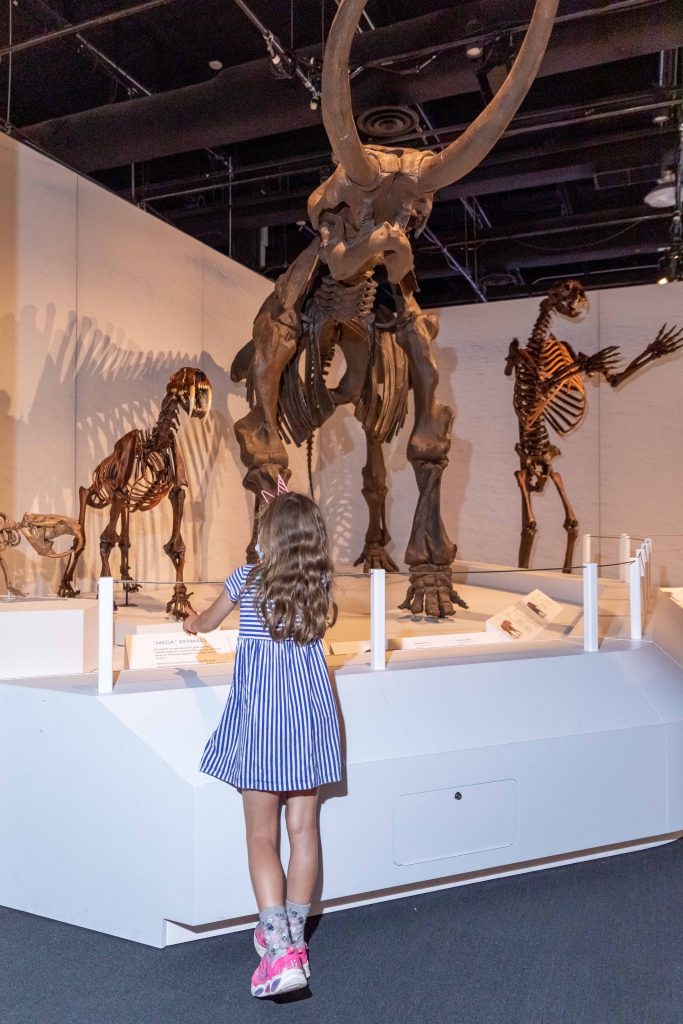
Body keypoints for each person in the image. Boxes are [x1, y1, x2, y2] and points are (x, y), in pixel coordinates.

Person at [183, 488, 342, 999]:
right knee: (304, 830)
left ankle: (277, 955)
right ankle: (293, 941)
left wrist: (190, 623)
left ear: (267, 536)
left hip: (263, 725)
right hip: (310, 722)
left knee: (260, 837)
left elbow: (206, 621)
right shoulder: (318, 586)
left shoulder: (246, 580)